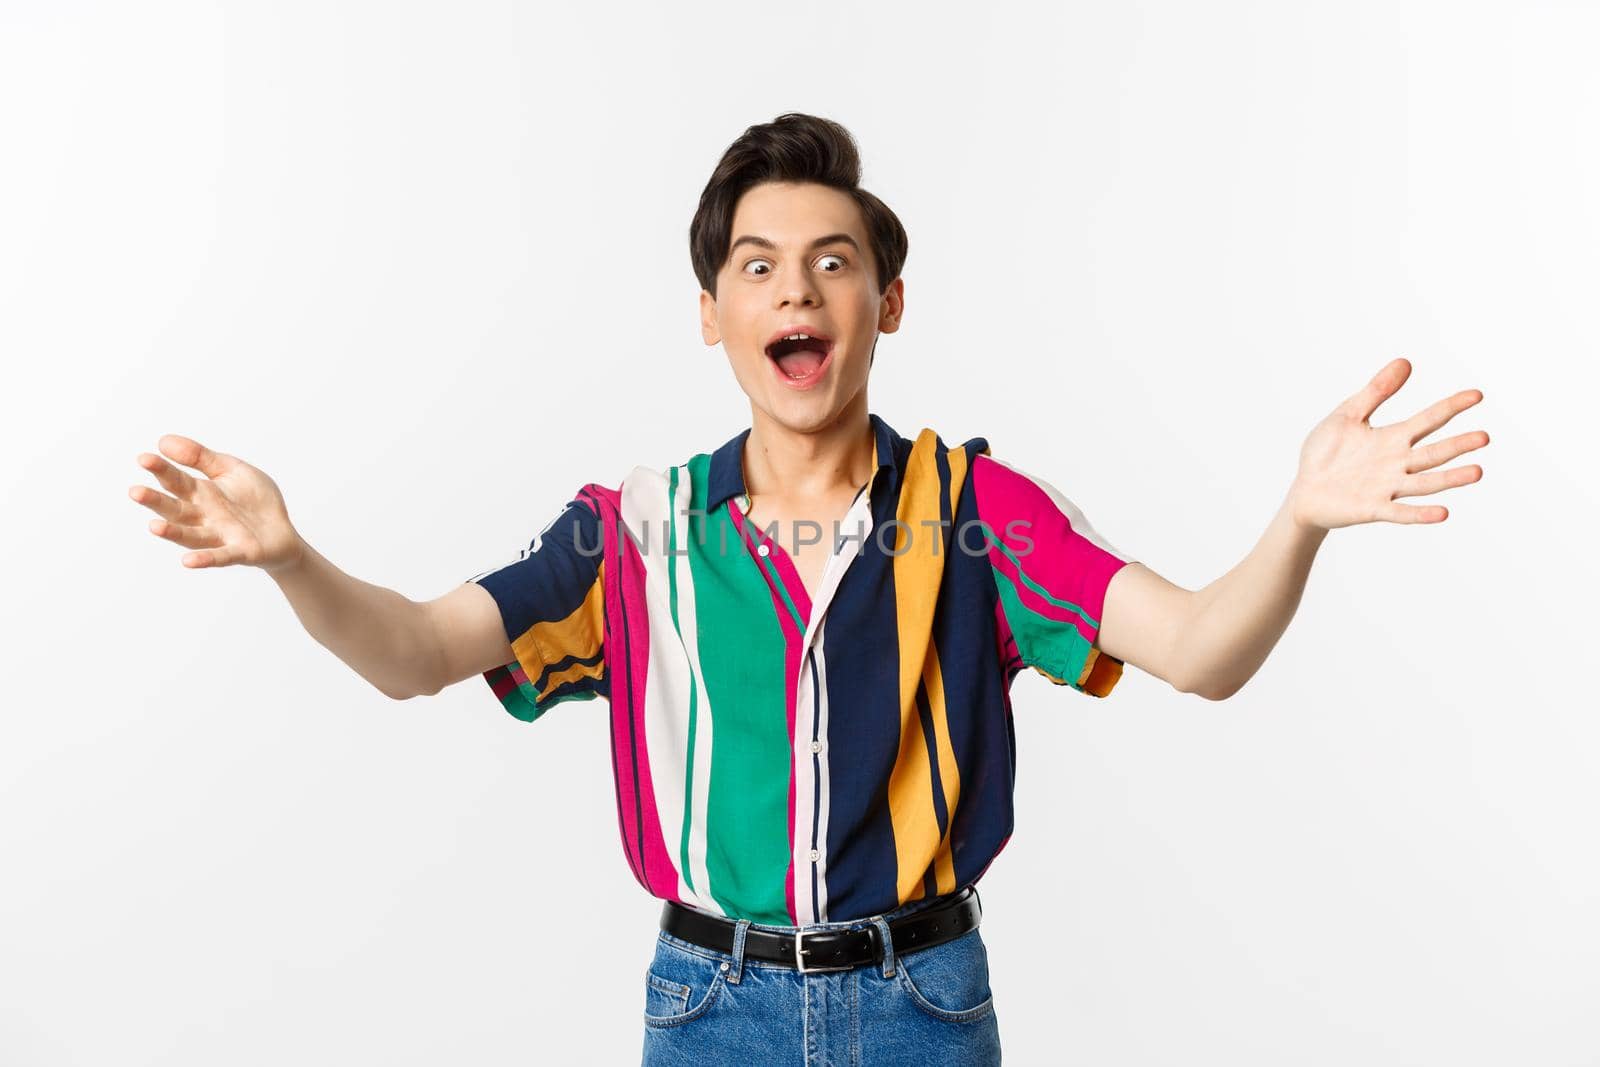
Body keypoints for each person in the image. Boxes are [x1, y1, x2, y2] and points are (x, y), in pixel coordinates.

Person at [128, 112, 1490, 1065]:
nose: (800, 290)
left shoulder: (975, 516)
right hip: (706, 1006)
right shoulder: (633, 535)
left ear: (885, 304)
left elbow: (1198, 649)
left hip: (923, 1004)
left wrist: (1300, 519)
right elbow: (419, 651)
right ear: (712, 311)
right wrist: (293, 561)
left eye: (835, 263)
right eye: (758, 266)